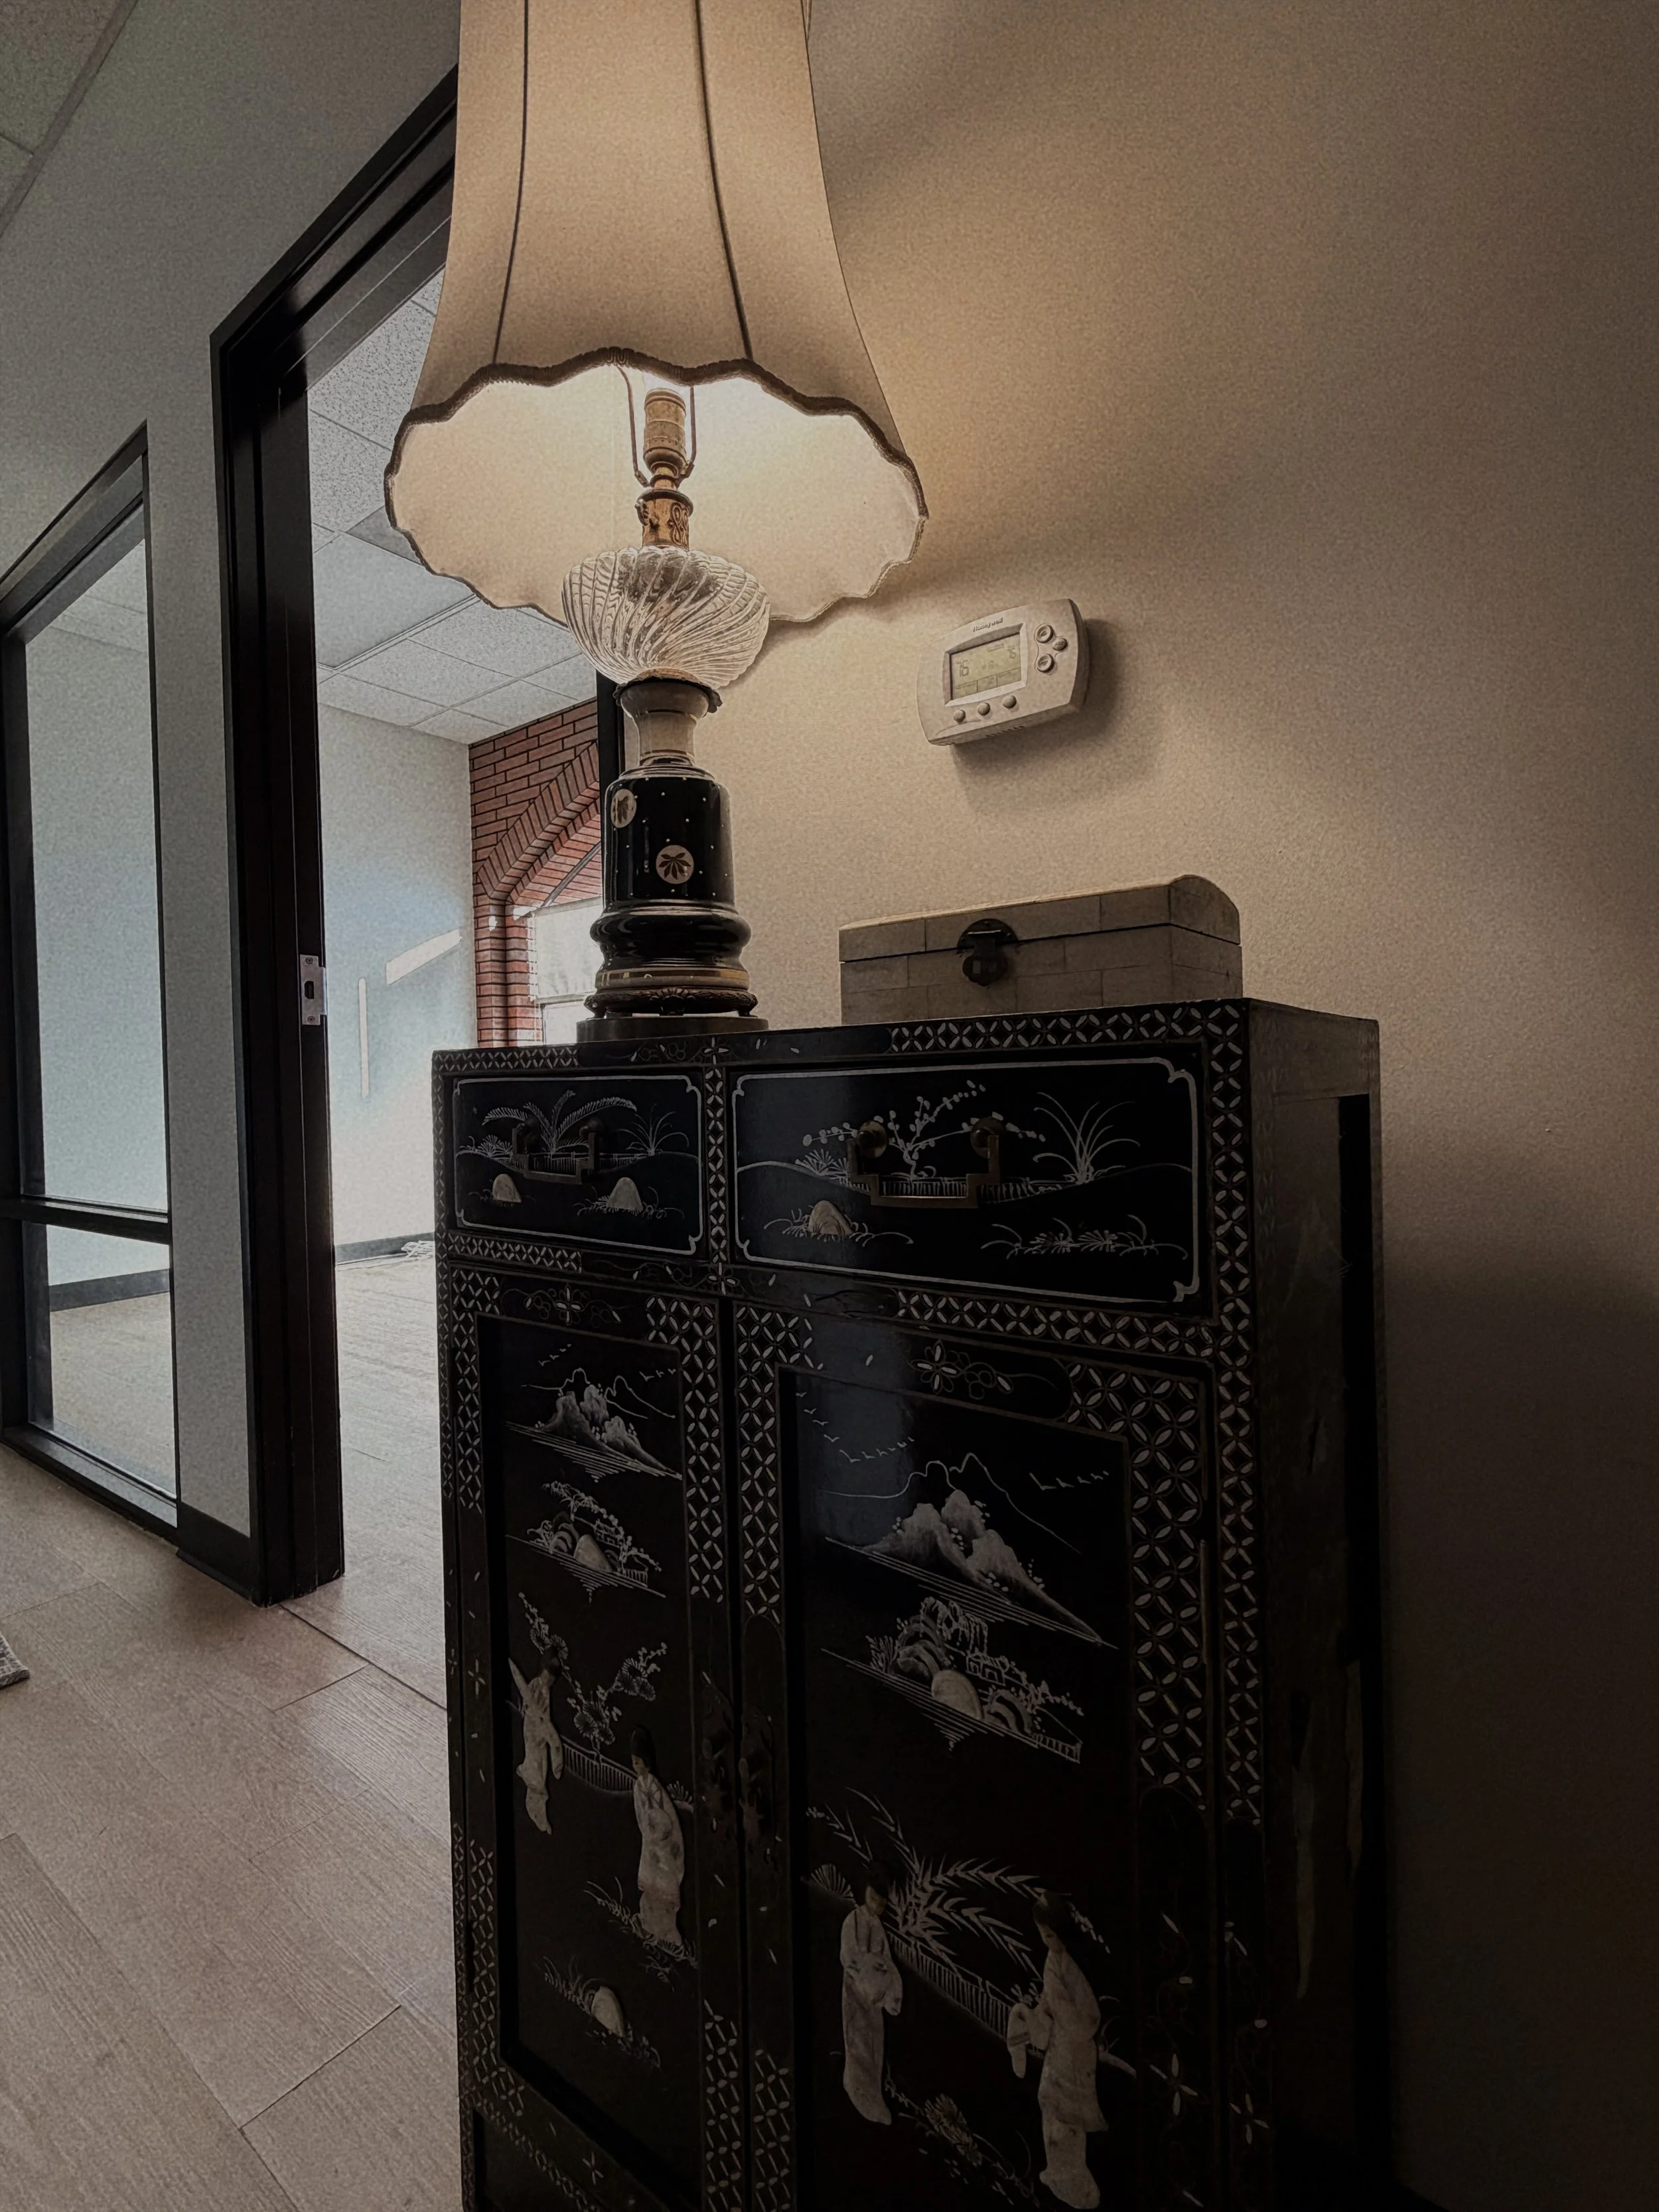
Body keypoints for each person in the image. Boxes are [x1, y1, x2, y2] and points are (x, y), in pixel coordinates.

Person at [1007, 1893, 1106, 2208]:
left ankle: (1073, 2177)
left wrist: (1055, 2021)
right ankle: (1060, 2172)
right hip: (1062, 2047)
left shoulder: (1070, 1966)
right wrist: (1043, 2013)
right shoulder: (1054, 1964)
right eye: (1044, 1935)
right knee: (1054, 2110)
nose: (1047, 1941)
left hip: (1072, 2048)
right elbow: (1056, 2002)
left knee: (1068, 2117)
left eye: (1050, 1934)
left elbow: (1081, 2011)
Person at [840, 1860, 904, 2123]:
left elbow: (886, 1961)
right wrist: (866, 1970)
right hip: (856, 1994)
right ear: (864, 1892)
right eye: (873, 1899)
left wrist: (886, 1986)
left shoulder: (878, 1928)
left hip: (874, 1999)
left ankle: (874, 2096)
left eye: (881, 1903)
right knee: (857, 2044)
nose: (877, 1906)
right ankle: (857, 2089)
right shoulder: (853, 1920)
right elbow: (849, 1957)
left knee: (875, 2045)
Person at [630, 1726, 685, 1950]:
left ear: (647, 1762)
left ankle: (669, 1932)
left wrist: (660, 1833)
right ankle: (652, 1926)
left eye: (639, 1762)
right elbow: (639, 1813)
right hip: (650, 1843)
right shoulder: (638, 1786)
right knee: (651, 1886)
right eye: (633, 1762)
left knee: (664, 1883)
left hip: (663, 1841)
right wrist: (647, 1831)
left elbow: (666, 1815)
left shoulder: (654, 1786)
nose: (636, 1767)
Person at [508, 1660, 563, 1833]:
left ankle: (556, 1768)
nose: (549, 1681)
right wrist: (533, 1713)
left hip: (542, 1728)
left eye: (552, 1679)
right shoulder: (534, 1684)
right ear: (543, 1671)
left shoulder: (547, 1690)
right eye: (548, 1676)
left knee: (544, 1766)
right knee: (536, 1769)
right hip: (533, 1727)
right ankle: (535, 1808)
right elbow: (527, 1705)